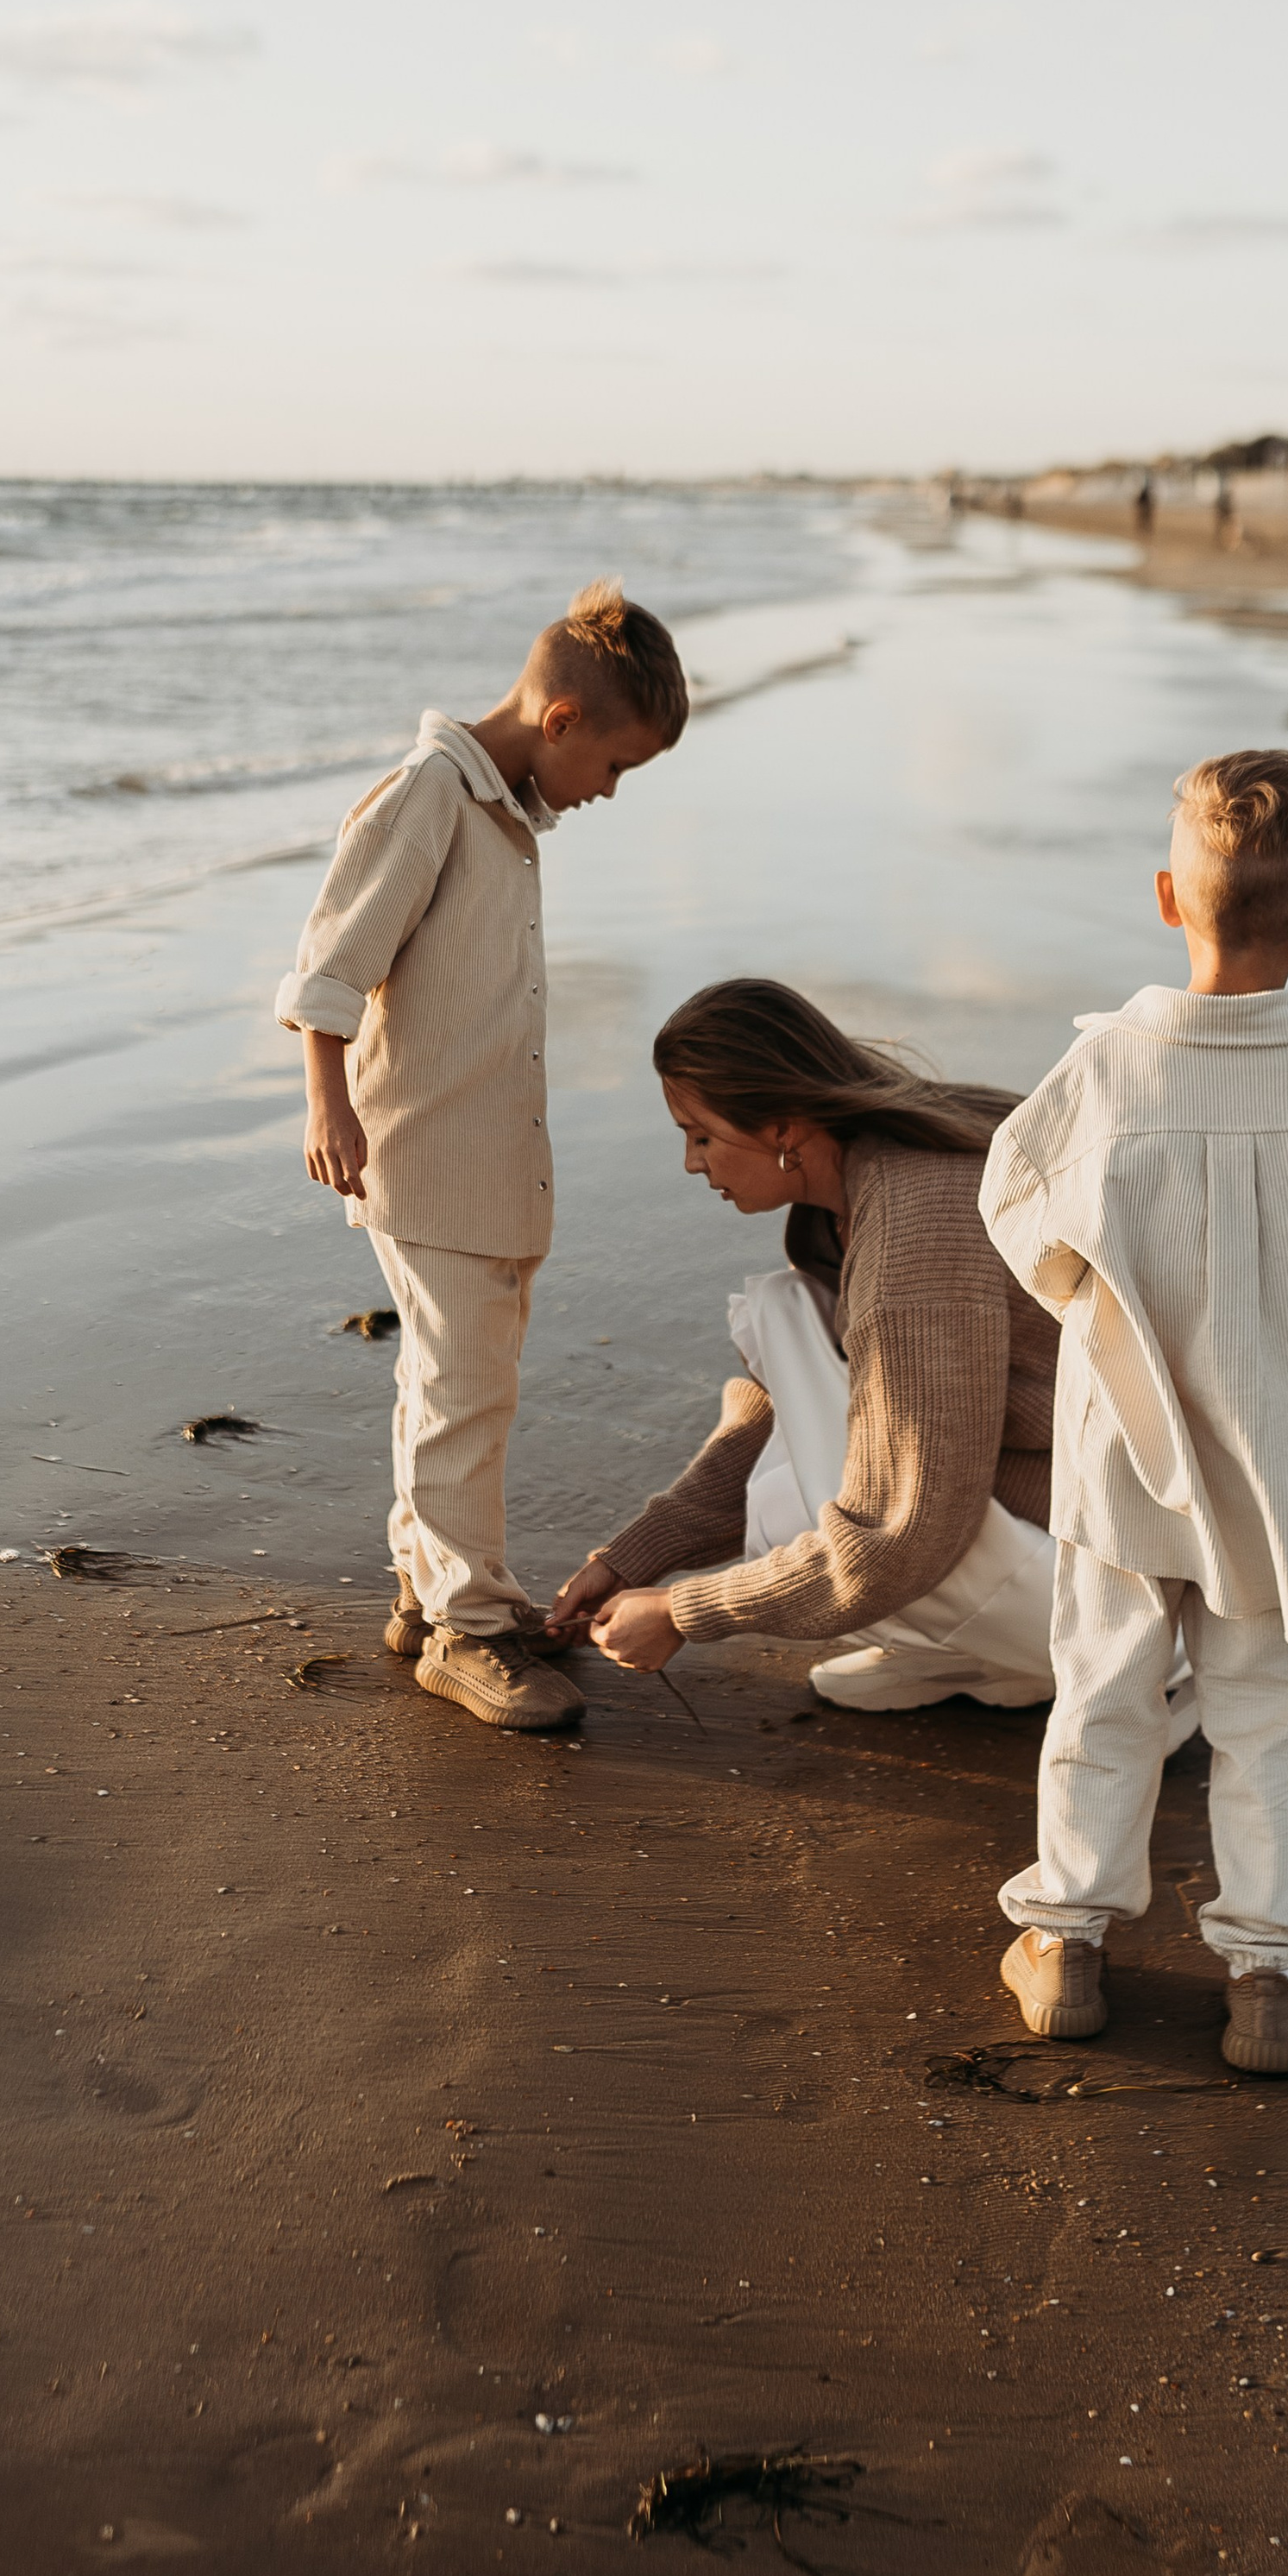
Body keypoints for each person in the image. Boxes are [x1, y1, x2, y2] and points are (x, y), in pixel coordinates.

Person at [979, 750, 1288, 2075]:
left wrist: (1097, 1301)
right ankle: (1268, 1975)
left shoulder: (1106, 1071)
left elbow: (1014, 1211)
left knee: (1106, 1689)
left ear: (1169, 895)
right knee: (1280, 1712)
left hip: (1129, 1446)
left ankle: (1065, 1945)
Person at [277, 579, 689, 1733]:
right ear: (561, 721)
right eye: (614, 767)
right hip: (422, 1151)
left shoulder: (503, 812)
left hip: (484, 1156)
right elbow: (331, 960)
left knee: (457, 1385)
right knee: (463, 1389)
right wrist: (326, 1105)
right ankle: (464, 1631)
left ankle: (430, 1590)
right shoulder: (428, 798)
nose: (606, 793)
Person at [547, 979, 1077, 1714]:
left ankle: (1138, 1670)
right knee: (789, 1321)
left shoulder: (913, 1238)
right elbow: (785, 1415)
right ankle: (983, 1654)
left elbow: (903, 1535)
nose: (692, 1164)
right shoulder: (858, 1188)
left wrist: (683, 1612)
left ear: (784, 1131)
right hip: (1061, 1482)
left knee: (816, 1510)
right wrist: (636, 1554)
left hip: (1123, 1532)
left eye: (701, 1135)